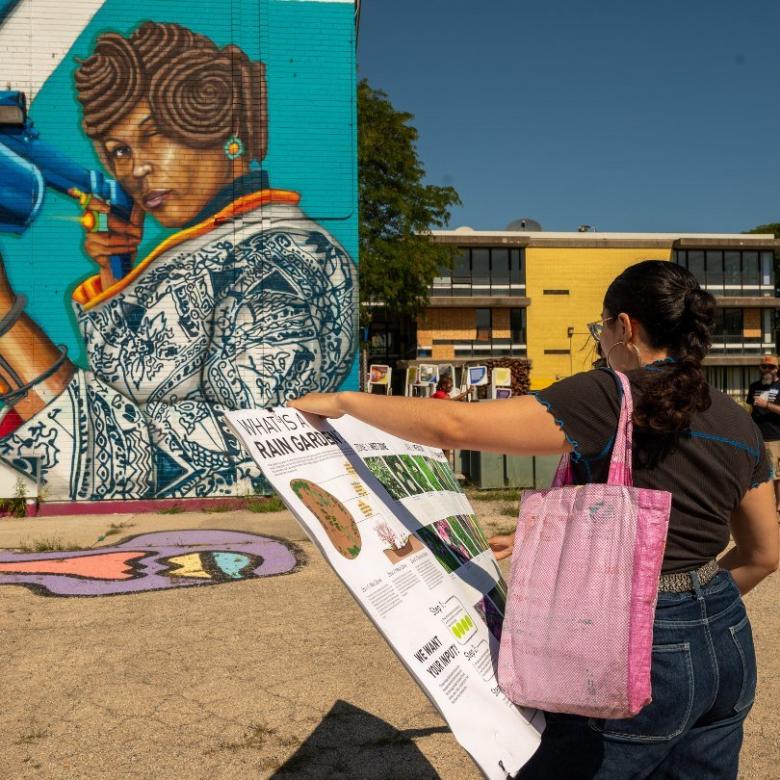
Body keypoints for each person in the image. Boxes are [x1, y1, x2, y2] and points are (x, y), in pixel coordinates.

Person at [290, 260, 779, 779]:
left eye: (602, 327)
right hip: (727, 641)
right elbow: (764, 555)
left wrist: (344, 401)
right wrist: (695, 601)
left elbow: (453, 424)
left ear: (626, 327)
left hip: (643, 646)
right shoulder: (735, 419)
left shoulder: (610, 395)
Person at [0, 22, 357, 499]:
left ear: (221, 128)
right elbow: (136, 388)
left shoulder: (278, 262)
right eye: (119, 151)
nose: (136, 168)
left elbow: (225, 464)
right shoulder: (216, 246)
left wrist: (7, 318)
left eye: (155, 136)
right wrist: (116, 272)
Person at [747, 354, 780, 512]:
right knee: (756, 473)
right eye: (764, 367)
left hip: (774, 438)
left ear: (777, 369)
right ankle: (761, 506)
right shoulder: (754, 386)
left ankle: (778, 506)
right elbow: (749, 409)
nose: (767, 370)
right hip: (755, 436)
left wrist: (766, 404)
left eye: (771, 367)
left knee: (776, 475)